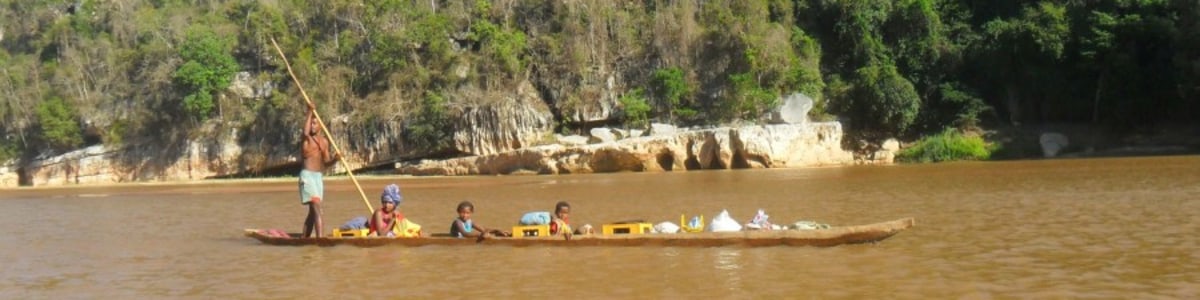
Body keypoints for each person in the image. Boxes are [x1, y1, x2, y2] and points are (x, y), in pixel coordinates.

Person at [299, 103, 338, 238]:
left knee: (312, 212)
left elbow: (326, 163)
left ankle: (304, 239)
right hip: (307, 177)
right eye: (311, 123)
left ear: (321, 125)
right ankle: (320, 239)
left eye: (315, 123)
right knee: (316, 207)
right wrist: (310, 111)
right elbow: (305, 131)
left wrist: (336, 159)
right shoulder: (306, 139)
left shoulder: (324, 142)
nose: (312, 126)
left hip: (317, 177)